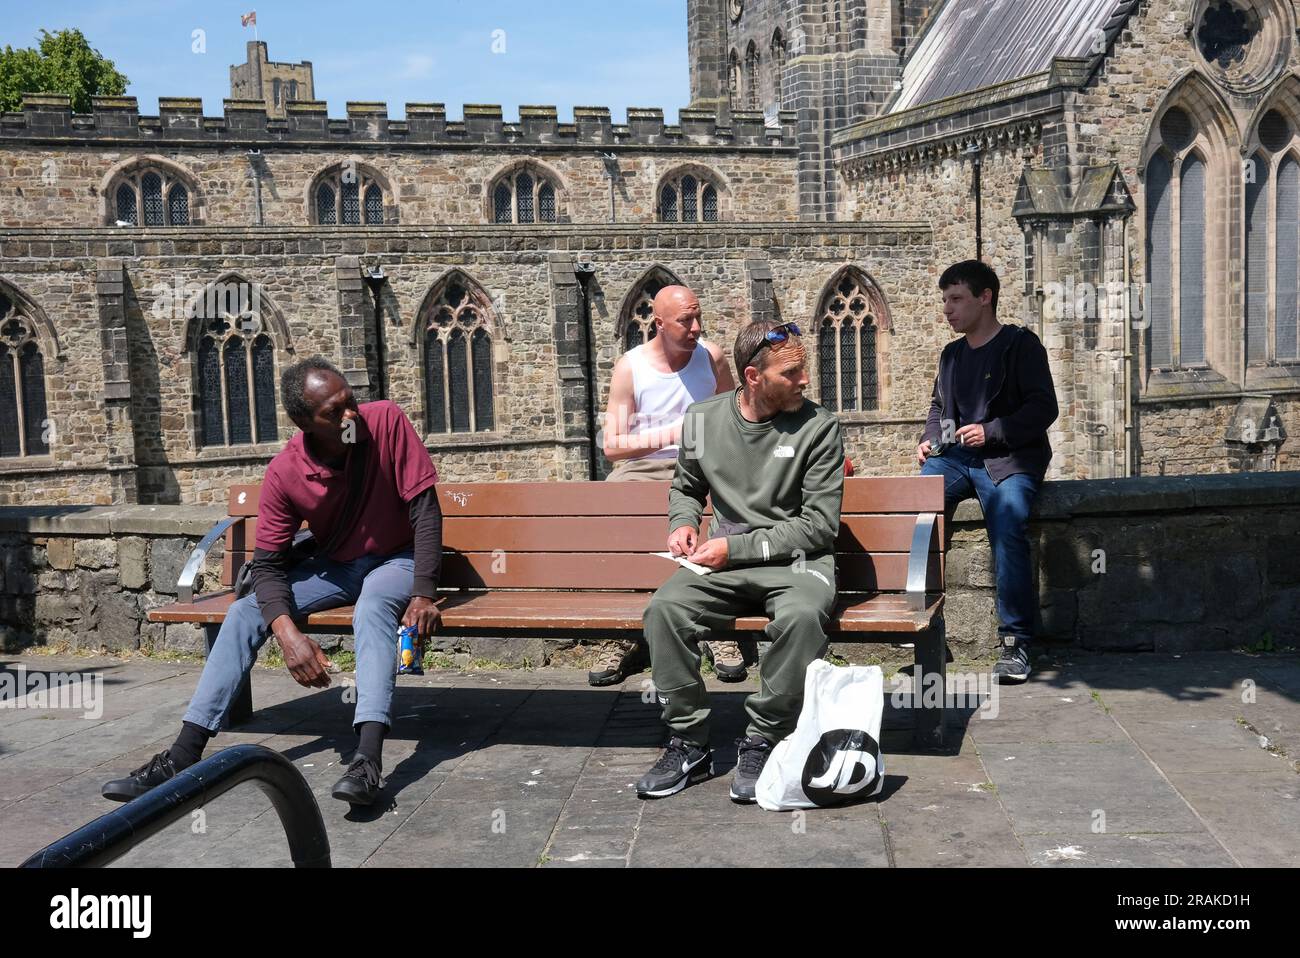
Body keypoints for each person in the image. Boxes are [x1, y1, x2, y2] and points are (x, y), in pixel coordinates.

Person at [102, 357, 443, 807]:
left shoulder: (385, 421)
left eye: (350, 401)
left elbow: (425, 511)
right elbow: (267, 566)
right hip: (338, 566)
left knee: (374, 606)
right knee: (245, 610)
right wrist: (288, 636)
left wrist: (422, 593)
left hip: (397, 560)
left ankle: (366, 761)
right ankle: (183, 755)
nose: (350, 416)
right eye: (334, 412)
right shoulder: (286, 471)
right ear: (304, 423)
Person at [636, 319, 844, 803]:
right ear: (753, 376)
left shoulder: (819, 428)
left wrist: (735, 547)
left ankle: (764, 738)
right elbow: (686, 488)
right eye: (790, 373)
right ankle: (689, 742)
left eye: (803, 369)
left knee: (801, 617)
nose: (804, 381)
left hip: (798, 562)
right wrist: (683, 522)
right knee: (664, 611)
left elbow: (818, 526)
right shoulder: (704, 421)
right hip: (722, 562)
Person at [591, 285, 750, 686]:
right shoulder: (632, 366)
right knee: (616, 507)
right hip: (645, 466)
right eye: (685, 320)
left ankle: (716, 629)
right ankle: (621, 632)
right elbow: (613, 446)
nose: (696, 328)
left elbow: (734, 419)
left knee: (730, 511)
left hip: (703, 465)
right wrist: (675, 432)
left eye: (698, 318)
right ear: (658, 324)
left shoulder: (711, 358)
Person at [916, 260, 1058, 684]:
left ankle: (1015, 643)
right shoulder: (952, 355)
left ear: (985, 297)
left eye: (956, 299)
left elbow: (1043, 407)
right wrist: (930, 441)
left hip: (1010, 458)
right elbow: (940, 410)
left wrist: (992, 430)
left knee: (1009, 519)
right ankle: (927, 634)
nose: (947, 309)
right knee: (919, 509)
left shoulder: (1021, 345)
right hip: (958, 458)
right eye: (944, 300)